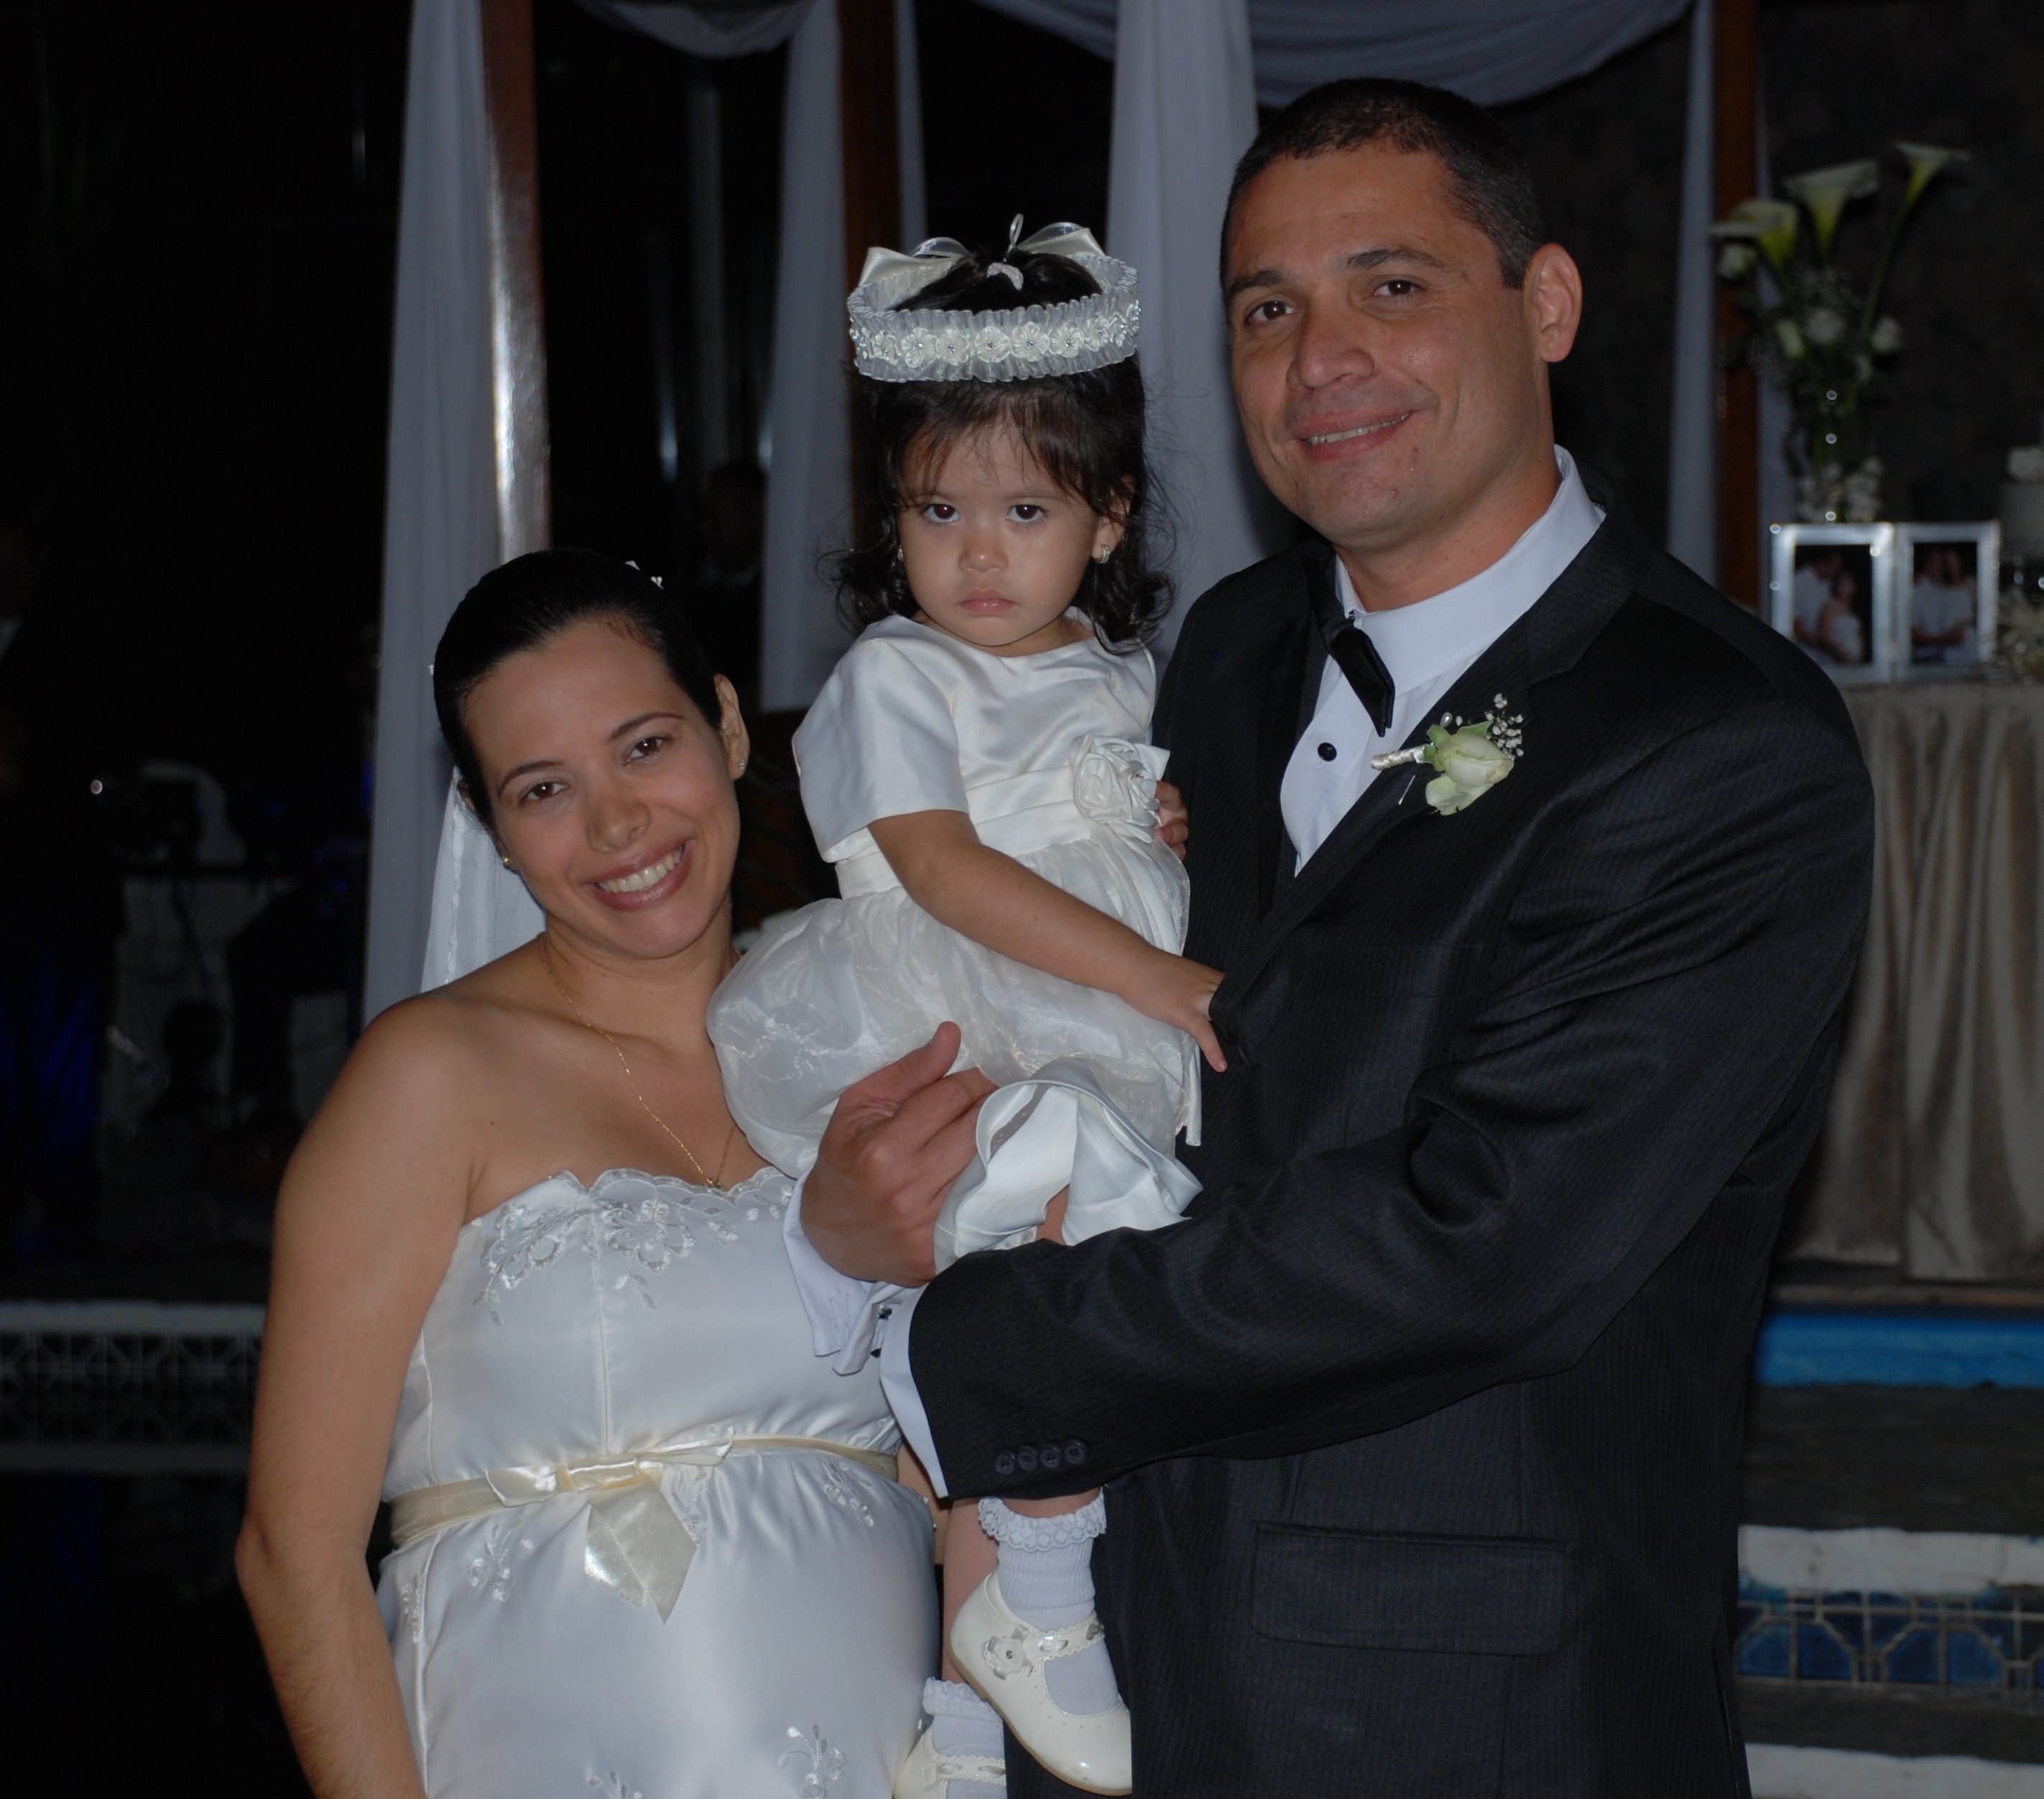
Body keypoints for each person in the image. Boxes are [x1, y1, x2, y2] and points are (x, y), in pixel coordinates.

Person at [790, 78, 1874, 1795]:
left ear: (1545, 303)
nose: (1319, 362)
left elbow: (1485, 1246)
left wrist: (973, 1334)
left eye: (1392, 286)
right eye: (1264, 311)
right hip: (1118, 1653)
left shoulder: (1716, 741)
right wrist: (861, 1216)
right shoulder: (1223, 648)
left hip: (1474, 1705)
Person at [238, 551, 936, 1799]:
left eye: (645, 746)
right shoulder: (429, 1077)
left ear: (727, 727)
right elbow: (293, 1554)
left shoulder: (871, 1039)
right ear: (490, 825)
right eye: (544, 788)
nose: (617, 825)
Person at [708, 223, 1211, 1799]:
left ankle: (967, 1719)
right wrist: (1153, 969)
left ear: (1108, 515)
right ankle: (1039, 1595)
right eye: (939, 512)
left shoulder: (1117, 664)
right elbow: (939, 866)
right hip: (954, 1005)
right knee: (1048, 1265)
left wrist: (1153, 829)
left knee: (1047, 1299)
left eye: (1024, 512)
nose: (978, 554)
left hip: (1077, 1004)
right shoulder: (898, 672)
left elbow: (1093, 809)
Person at [1910, 545, 1979, 664]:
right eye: (1934, 563)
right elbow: (1912, 634)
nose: (1940, 568)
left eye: (1942, 564)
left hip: (1952, 655)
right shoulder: (1916, 592)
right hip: (1925, 660)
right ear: (1926, 564)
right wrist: (1946, 640)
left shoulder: (1944, 588)